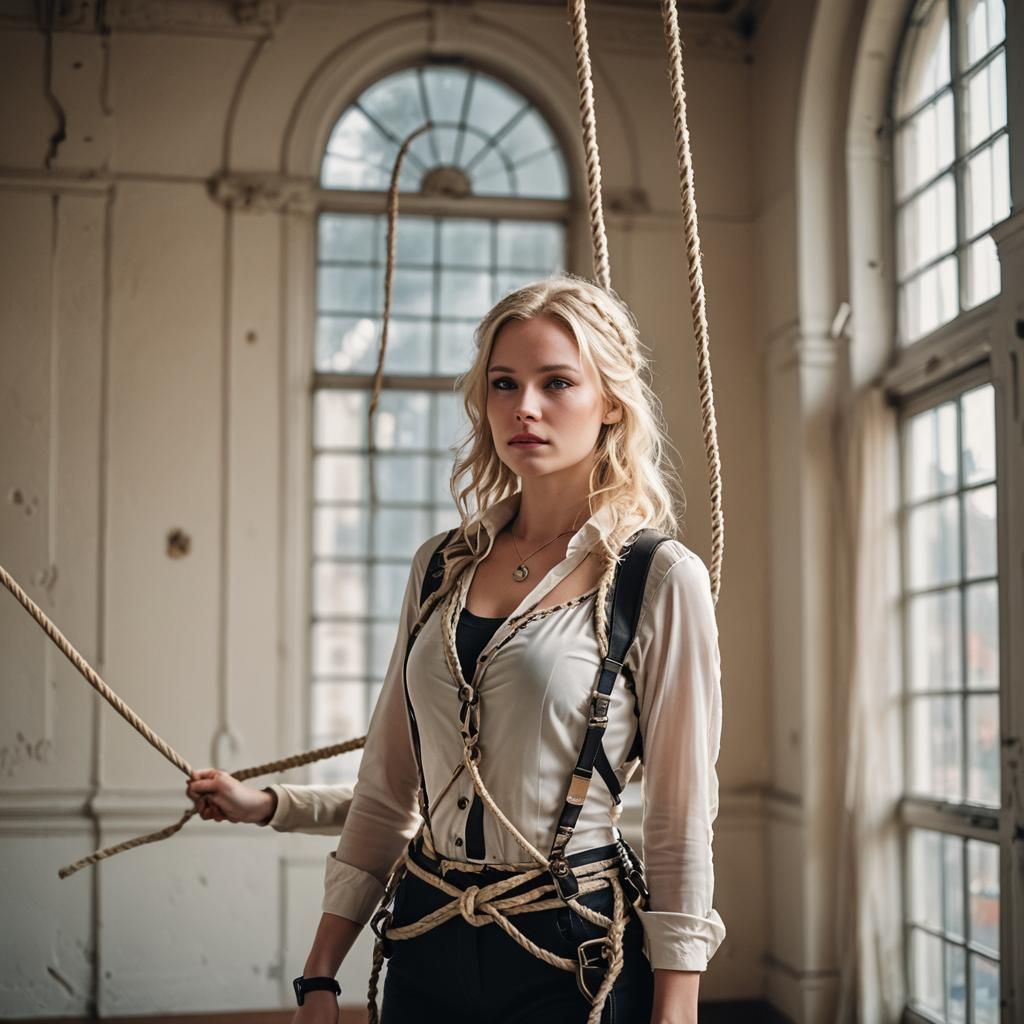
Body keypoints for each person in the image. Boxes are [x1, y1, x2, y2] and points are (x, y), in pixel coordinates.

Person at [186, 274, 726, 1024]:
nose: (524, 407)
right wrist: (318, 975)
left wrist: (677, 1013)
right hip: (425, 938)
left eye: (556, 383)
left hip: (573, 955)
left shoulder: (658, 578)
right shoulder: (442, 565)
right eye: (504, 384)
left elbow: (678, 821)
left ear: (610, 402)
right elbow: (392, 789)